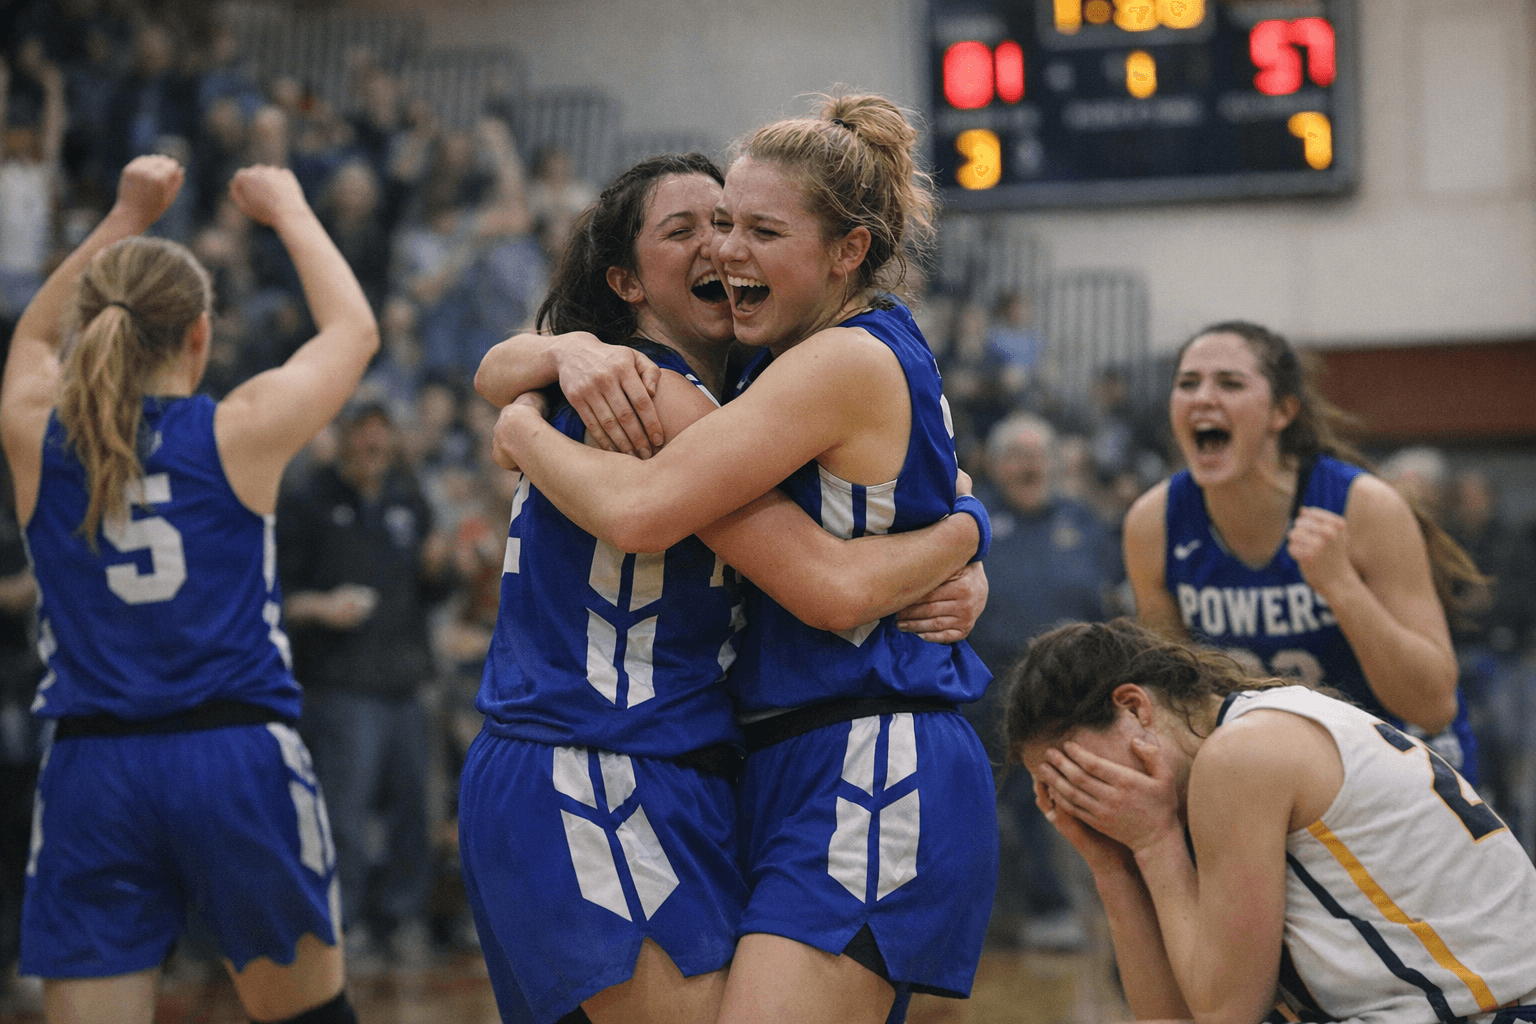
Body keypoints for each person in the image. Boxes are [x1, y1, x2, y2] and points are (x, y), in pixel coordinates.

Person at [492, 95, 998, 1024]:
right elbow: (933, 487)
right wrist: (965, 528)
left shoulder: (828, 362)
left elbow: (820, 580)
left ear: (848, 250)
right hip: (769, 754)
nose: (728, 249)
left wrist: (520, 425)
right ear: (626, 280)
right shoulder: (769, 364)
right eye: (720, 224)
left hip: (868, 747)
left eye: (759, 229)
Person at [0, 155, 377, 1023]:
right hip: (233, 755)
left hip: (93, 766)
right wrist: (287, 208)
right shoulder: (237, 431)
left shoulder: (37, 435)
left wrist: (126, 212)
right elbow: (352, 331)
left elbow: (30, 340)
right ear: (199, 336)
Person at [1003, 617, 1536, 1022]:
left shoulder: (1241, 757)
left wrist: (1154, 842)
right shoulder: (1217, 757)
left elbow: (1224, 1014)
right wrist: (1112, 867)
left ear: (1136, 708)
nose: (1078, 801)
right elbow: (1172, 1018)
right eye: (1055, 789)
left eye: (1077, 771)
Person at [1122, 321, 1483, 782]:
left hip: (1401, 756)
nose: (1202, 397)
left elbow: (1433, 705)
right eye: (1187, 383)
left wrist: (1342, 588)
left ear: (1282, 411)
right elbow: (1174, 701)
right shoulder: (1152, 524)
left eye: (1230, 383)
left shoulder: (1365, 506)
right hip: (1276, 768)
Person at [277, 399, 453, 964]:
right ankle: (344, 922)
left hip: (406, 680)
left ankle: (404, 919)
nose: (374, 446)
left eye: (383, 435)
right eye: (364, 434)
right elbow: (277, 595)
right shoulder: (308, 502)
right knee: (344, 813)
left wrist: (440, 569)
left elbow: (434, 590)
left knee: (413, 809)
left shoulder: (409, 500)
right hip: (340, 684)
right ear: (345, 437)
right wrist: (323, 607)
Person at [967, 412, 1120, 952]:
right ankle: (961, 920)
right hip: (979, 692)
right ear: (996, 464)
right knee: (970, 804)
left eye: (1037, 454)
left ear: (1055, 464)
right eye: (1015, 454)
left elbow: (1114, 604)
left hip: (1066, 699)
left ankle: (1055, 908)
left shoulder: (1086, 524)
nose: (1027, 464)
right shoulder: (970, 519)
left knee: (1051, 804)